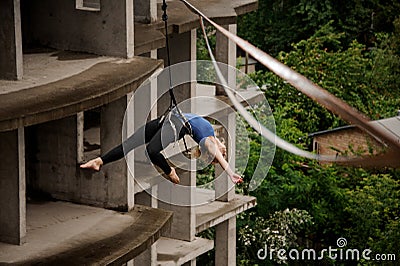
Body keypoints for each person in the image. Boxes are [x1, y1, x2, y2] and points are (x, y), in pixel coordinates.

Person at [80, 111, 243, 185]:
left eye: (221, 154)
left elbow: (220, 158)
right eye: (225, 152)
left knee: (151, 151)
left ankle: (169, 170)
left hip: (174, 128)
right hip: (166, 120)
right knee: (130, 143)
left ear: (212, 153)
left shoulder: (207, 142)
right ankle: (98, 161)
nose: (225, 152)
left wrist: (230, 173)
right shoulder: (212, 133)